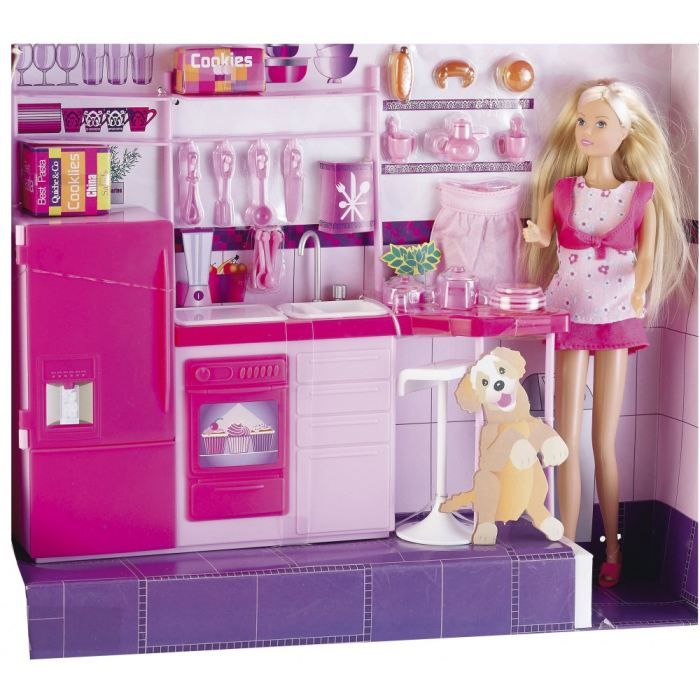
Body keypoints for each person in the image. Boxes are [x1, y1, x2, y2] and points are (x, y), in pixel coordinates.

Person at [521, 79, 693, 586]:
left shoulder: (640, 196)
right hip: (569, 313)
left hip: (615, 316)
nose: (588, 131)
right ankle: (568, 546)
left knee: (604, 441)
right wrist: (536, 233)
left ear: (624, 132)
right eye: (583, 121)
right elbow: (545, 235)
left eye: (600, 123)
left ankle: (612, 548)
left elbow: (646, 260)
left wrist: (640, 292)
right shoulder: (561, 191)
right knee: (564, 436)